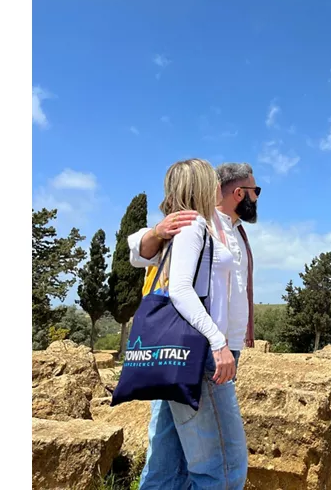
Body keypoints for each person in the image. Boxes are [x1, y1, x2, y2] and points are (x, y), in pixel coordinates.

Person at [130, 158, 248, 489]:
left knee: (167, 463)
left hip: (178, 351)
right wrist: (217, 341)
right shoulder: (193, 225)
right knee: (224, 466)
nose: (216, 187)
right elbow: (180, 289)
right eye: (211, 181)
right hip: (200, 352)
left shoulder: (191, 225)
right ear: (200, 186)